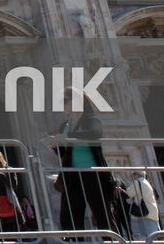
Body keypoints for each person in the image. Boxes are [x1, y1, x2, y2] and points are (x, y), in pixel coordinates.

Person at [53, 91, 121, 234]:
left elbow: (95, 134)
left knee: (101, 212)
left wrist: (68, 136)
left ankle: (111, 240)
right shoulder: (65, 125)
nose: (63, 104)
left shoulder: (91, 120)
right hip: (71, 174)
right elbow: (65, 153)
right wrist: (55, 146)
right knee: (69, 215)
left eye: (66, 100)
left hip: (92, 172)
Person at [0, 149, 24, 233]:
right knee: (2, 230)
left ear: (0, 157)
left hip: (10, 201)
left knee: (14, 229)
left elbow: (14, 185)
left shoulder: (9, 169)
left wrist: (2, 175)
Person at [125, 170, 161, 240]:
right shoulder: (146, 182)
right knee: (153, 236)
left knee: (149, 237)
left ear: (136, 175)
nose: (132, 177)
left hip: (145, 213)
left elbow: (129, 193)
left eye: (133, 175)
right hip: (152, 212)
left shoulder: (138, 182)